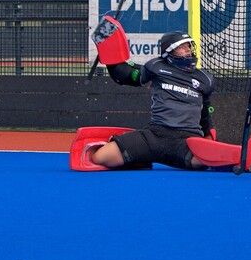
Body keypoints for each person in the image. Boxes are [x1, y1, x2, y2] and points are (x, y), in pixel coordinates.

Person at [89, 30, 217, 170]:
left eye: (189, 46)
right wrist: (106, 45)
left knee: (208, 162)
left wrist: (208, 135)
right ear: (170, 52)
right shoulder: (156, 67)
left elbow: (205, 111)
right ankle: (141, 159)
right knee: (99, 157)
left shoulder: (205, 79)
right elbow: (124, 74)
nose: (188, 50)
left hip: (186, 140)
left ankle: (146, 158)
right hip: (154, 136)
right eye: (182, 47)